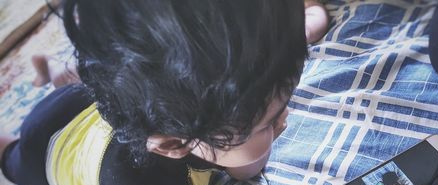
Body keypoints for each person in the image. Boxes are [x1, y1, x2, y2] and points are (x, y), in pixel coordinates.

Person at [1, 1, 357, 185]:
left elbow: (241, 166)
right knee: (11, 158)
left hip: (89, 101)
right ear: (174, 145)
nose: (284, 118)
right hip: (47, 145)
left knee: (122, 72)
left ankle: (60, 72)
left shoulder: (200, 106)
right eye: (267, 123)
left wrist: (258, 137)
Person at [31, 1, 330, 88]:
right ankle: (62, 68)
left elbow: (313, 15)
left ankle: (59, 69)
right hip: (185, 41)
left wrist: (296, 32)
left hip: (220, 48)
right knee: (125, 67)